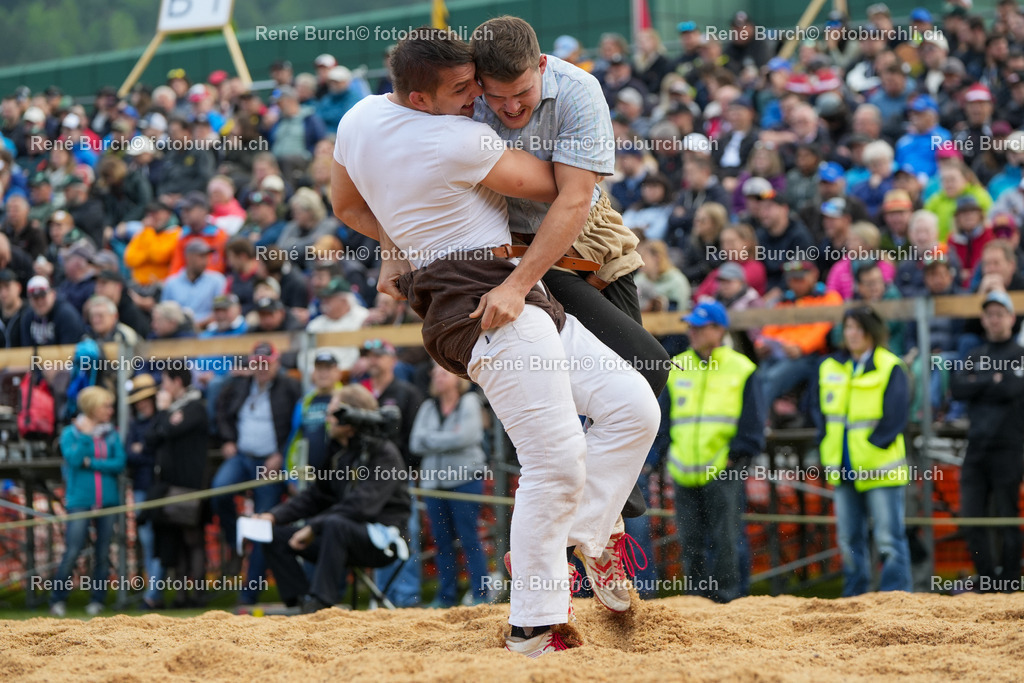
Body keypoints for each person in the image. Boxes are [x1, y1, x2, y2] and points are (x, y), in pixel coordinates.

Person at [331, 28, 658, 656]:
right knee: (555, 460)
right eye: (464, 88)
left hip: (499, 292)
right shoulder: (462, 137)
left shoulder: (361, 116)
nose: (477, 97)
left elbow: (348, 207)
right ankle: (534, 622)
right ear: (423, 98)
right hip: (488, 297)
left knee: (633, 404)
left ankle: (587, 532)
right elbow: (560, 189)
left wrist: (399, 239)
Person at [258, 384, 411, 612]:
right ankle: (302, 604)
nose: (326, 419)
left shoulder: (384, 454)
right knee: (272, 535)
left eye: (331, 414)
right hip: (338, 535)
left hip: (382, 540)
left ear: (351, 419)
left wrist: (313, 527)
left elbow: (361, 506)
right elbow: (316, 496)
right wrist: (273, 516)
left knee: (334, 524)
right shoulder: (337, 451)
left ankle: (320, 604)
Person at [667, 301, 764, 602]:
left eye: (700, 326)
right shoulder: (676, 365)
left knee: (726, 539)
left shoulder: (741, 368)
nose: (692, 331)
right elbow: (663, 417)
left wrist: (736, 457)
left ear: (720, 330)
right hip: (683, 469)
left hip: (723, 467)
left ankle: (730, 600)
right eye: (691, 325)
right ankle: (696, 601)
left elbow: (753, 421)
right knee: (690, 540)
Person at [815, 306, 912, 597]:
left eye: (857, 327)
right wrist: (825, 443)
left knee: (889, 539)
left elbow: (896, 416)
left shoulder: (890, 365)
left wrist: (874, 445)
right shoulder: (829, 366)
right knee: (848, 539)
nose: (852, 334)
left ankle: (896, 596)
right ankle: (854, 597)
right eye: (848, 328)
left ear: (871, 330)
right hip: (842, 467)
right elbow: (818, 412)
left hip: (880, 468)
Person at [213, 341, 303, 604]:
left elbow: (297, 425)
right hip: (242, 456)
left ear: (276, 363)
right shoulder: (239, 384)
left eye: (266, 363)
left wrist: (281, 455)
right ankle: (235, 541)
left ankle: (248, 595)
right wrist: (227, 440)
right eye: (257, 363)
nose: (261, 368)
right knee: (219, 491)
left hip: (271, 462)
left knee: (264, 525)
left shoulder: (290, 387)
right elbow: (222, 412)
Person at [949, 290, 1024, 591]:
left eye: (999, 313)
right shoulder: (974, 355)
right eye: (989, 314)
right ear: (983, 319)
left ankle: (1009, 581)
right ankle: (987, 580)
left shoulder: (1019, 354)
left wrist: (979, 383)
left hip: (1009, 447)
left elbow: (1010, 389)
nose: (994, 319)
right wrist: (989, 380)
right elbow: (957, 388)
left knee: (1007, 516)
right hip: (976, 447)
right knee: (971, 517)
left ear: (1011, 317)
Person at [410, 365, 490, 608]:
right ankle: (446, 597)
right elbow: (415, 443)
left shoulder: (469, 402)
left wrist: (431, 439)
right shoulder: (427, 406)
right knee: (441, 542)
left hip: (465, 481)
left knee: (469, 539)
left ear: (457, 379)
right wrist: (449, 439)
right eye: (434, 373)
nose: (437, 377)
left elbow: (467, 436)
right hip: (434, 484)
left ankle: (480, 595)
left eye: (443, 373)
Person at [49, 386, 127, 617]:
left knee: (102, 553)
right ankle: (57, 599)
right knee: (72, 550)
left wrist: (90, 462)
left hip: (108, 501)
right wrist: (85, 437)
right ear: (93, 407)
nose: (110, 410)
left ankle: (98, 600)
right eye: (106, 406)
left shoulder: (111, 433)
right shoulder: (71, 433)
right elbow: (72, 459)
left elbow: (119, 463)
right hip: (80, 501)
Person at [145, 366, 209, 607]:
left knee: (192, 538)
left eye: (165, 382)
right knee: (176, 541)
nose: (163, 388)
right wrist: (164, 416)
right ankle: (181, 596)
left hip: (190, 484)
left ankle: (198, 594)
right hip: (169, 485)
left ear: (177, 382)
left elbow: (169, 432)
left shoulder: (195, 407)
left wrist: (163, 414)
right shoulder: (172, 409)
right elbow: (153, 436)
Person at [124, 373, 164, 609]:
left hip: (160, 488)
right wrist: (145, 451)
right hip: (141, 487)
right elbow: (129, 454)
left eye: (146, 398)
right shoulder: (135, 424)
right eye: (139, 399)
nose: (142, 403)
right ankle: (153, 593)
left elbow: (152, 451)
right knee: (148, 540)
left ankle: (154, 594)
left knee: (158, 540)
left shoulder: (161, 420)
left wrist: (143, 449)